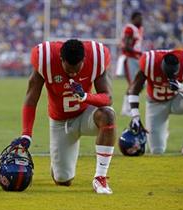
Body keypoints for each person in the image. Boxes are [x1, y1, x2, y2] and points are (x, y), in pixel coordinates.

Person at [12, 39, 116, 194]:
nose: (73, 74)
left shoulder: (96, 57)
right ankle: (59, 162)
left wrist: (85, 96)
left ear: (84, 60)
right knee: (63, 180)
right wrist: (27, 134)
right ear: (60, 59)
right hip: (60, 122)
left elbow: (107, 98)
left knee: (108, 114)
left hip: (86, 114)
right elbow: (31, 98)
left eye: (77, 70)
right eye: (69, 71)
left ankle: (100, 177)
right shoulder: (45, 59)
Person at [128, 49, 183, 157]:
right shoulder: (150, 62)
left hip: (176, 99)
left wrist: (182, 87)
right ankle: (163, 130)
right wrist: (135, 116)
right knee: (157, 150)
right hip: (155, 104)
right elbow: (134, 89)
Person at [115, 11, 143, 116]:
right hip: (130, 58)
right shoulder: (130, 28)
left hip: (136, 58)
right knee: (133, 84)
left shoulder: (138, 29)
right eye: (139, 18)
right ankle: (126, 109)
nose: (141, 21)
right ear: (133, 18)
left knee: (139, 83)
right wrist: (139, 53)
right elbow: (126, 46)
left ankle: (128, 108)